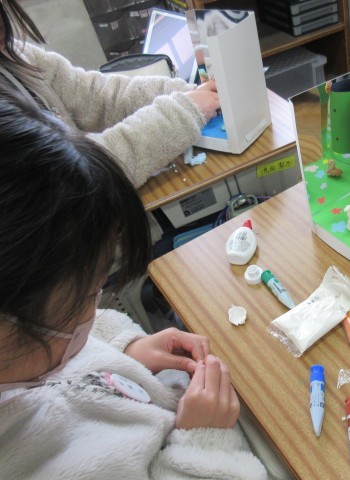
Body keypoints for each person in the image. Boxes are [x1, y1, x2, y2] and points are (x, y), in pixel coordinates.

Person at [0, 85, 267, 479]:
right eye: (89, 296)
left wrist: (125, 348)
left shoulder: (23, 357)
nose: (95, 310)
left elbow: (64, 353)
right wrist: (204, 442)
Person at [0, 0, 219, 189]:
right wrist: (182, 113)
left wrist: (187, 93)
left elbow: (98, 96)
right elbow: (78, 175)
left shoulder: (16, 55)